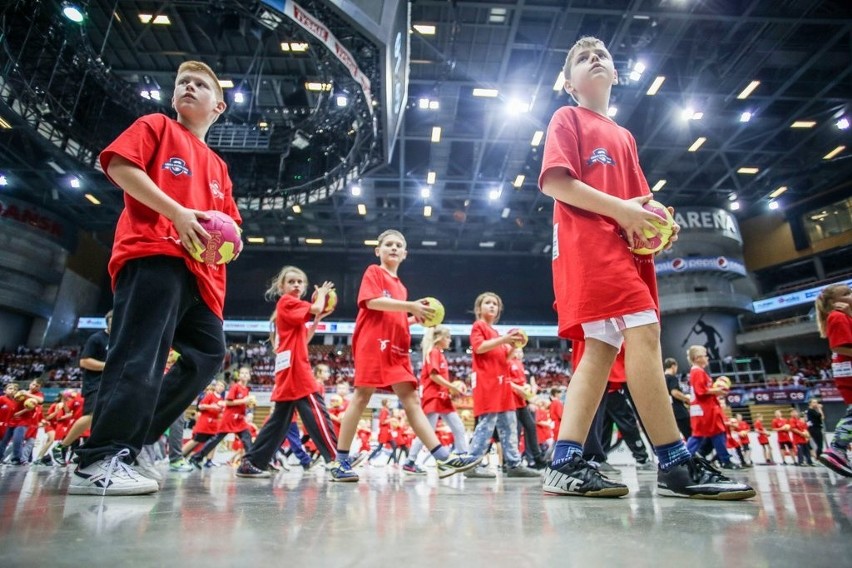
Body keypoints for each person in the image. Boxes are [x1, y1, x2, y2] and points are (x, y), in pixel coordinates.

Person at [538, 36, 753, 499]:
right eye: (581, 58)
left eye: (602, 57)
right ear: (568, 83)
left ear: (615, 75)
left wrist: (658, 223)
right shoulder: (567, 118)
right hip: (590, 245)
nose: (595, 60)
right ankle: (674, 461)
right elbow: (557, 182)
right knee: (645, 331)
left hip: (621, 248)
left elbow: (640, 204)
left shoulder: (625, 137)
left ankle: (565, 460)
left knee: (600, 349)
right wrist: (626, 213)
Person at [68, 61, 239, 496]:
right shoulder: (157, 125)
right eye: (183, 82)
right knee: (138, 355)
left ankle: (135, 438)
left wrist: (232, 244)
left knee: (207, 354)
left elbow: (231, 227)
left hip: (199, 277)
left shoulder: (219, 167)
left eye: (200, 84)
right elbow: (119, 167)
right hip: (153, 253)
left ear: (217, 106)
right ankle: (101, 458)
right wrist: (177, 212)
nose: (189, 87)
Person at [328, 229, 481, 481]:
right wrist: (409, 306)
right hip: (372, 343)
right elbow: (372, 302)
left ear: (405, 254)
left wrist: (412, 319)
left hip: (396, 348)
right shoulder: (374, 272)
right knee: (362, 396)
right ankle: (340, 461)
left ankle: (443, 459)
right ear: (378, 251)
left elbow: (393, 318)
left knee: (411, 399)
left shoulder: (401, 287)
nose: (394, 248)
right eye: (388, 244)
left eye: (399, 245)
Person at [235, 266, 342, 477]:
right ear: (281, 286)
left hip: (288, 365)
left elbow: (305, 337)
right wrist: (320, 296)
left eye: (299, 282)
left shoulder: (291, 307)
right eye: (291, 281)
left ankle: (251, 462)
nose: (296, 285)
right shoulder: (287, 301)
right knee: (315, 406)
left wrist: (317, 318)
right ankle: (337, 458)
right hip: (295, 366)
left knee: (279, 421)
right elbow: (317, 307)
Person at [464, 292, 539, 478]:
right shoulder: (478, 326)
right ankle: (471, 464)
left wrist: (515, 345)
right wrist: (505, 340)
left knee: (510, 424)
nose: (492, 306)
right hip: (487, 382)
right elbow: (479, 348)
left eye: (495, 304)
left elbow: (506, 357)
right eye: (487, 303)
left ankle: (513, 463)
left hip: (501, 384)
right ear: (479, 308)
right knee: (487, 424)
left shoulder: (496, 332)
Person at [403, 326, 469, 474]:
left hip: (442, 397)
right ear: (439, 339)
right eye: (447, 337)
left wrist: (450, 389)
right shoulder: (434, 352)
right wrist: (453, 386)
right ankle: (410, 461)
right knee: (428, 431)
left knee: (458, 427)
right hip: (434, 396)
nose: (450, 340)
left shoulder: (438, 353)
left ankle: (462, 458)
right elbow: (433, 376)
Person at [53, 311, 113, 465]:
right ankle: (61, 446)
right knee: (91, 417)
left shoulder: (119, 340)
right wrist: (110, 366)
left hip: (112, 384)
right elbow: (84, 362)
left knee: (107, 420)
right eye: (115, 319)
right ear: (108, 321)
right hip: (95, 384)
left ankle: (94, 453)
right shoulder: (97, 338)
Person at [814, 284, 852, 475]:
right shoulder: (837, 316)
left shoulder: (846, 315)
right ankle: (837, 448)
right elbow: (839, 347)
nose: (851, 295)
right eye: (846, 294)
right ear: (831, 303)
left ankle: (838, 448)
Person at [190, 367, 254, 467]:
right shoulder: (235, 387)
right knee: (216, 439)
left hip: (239, 419)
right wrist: (243, 401)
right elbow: (228, 402)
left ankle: (251, 461)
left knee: (247, 438)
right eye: (242, 373)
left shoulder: (246, 389)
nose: (245, 375)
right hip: (229, 418)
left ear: (249, 376)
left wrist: (248, 404)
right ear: (239, 375)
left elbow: (242, 403)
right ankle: (196, 457)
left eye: (247, 373)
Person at [0, 379, 44, 465]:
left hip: (24, 421)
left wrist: (27, 394)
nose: (34, 386)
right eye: (33, 384)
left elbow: (40, 400)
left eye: (37, 386)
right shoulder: (20, 394)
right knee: (4, 440)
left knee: (17, 439)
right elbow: (14, 407)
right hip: (12, 420)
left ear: (39, 388)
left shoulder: (37, 395)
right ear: (30, 384)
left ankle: (16, 459)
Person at [664, 357, 691, 440]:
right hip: (679, 411)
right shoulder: (672, 378)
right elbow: (674, 392)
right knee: (690, 435)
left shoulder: (662, 379)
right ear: (673, 366)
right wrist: (687, 399)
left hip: (669, 412)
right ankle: (694, 452)